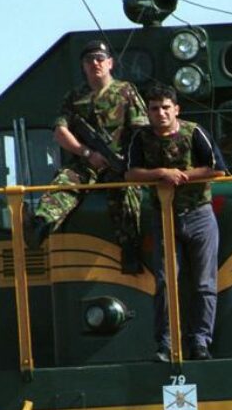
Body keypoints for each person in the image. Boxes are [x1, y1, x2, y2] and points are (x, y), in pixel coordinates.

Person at [29, 40, 149, 272]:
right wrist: (87, 153)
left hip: (119, 163)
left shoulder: (125, 91)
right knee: (65, 183)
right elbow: (60, 132)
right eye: (89, 60)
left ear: (110, 63)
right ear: (83, 66)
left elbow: (140, 130)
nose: (95, 63)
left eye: (100, 58)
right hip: (87, 163)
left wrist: (127, 160)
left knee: (126, 195)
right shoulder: (75, 97)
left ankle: (131, 252)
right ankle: (41, 224)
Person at [124, 85, 223, 361]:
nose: (161, 113)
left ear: (176, 109)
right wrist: (161, 173)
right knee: (166, 282)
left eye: (166, 107)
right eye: (155, 109)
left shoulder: (194, 132)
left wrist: (182, 176)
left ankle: (201, 341)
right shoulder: (140, 138)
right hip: (164, 218)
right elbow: (131, 174)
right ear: (148, 112)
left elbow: (217, 168)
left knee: (205, 283)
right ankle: (166, 344)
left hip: (200, 214)